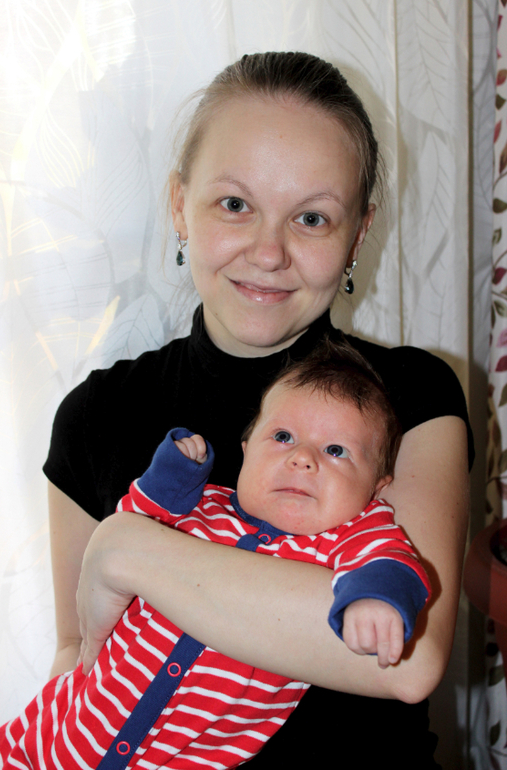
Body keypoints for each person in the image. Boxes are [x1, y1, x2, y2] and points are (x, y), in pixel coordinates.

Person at [43, 52, 472, 768]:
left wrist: (130, 549)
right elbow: (79, 653)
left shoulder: (410, 395)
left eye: (311, 217)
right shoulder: (95, 414)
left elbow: (404, 657)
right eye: (235, 205)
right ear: (179, 204)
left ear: (357, 233)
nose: (269, 252)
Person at [0, 343, 432, 769]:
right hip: (53, 738)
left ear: (376, 489)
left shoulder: (352, 536)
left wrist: (378, 598)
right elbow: (135, 524)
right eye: (283, 437)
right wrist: (171, 475)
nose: (302, 458)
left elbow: (391, 560)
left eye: (336, 450)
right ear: (246, 450)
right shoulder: (205, 505)